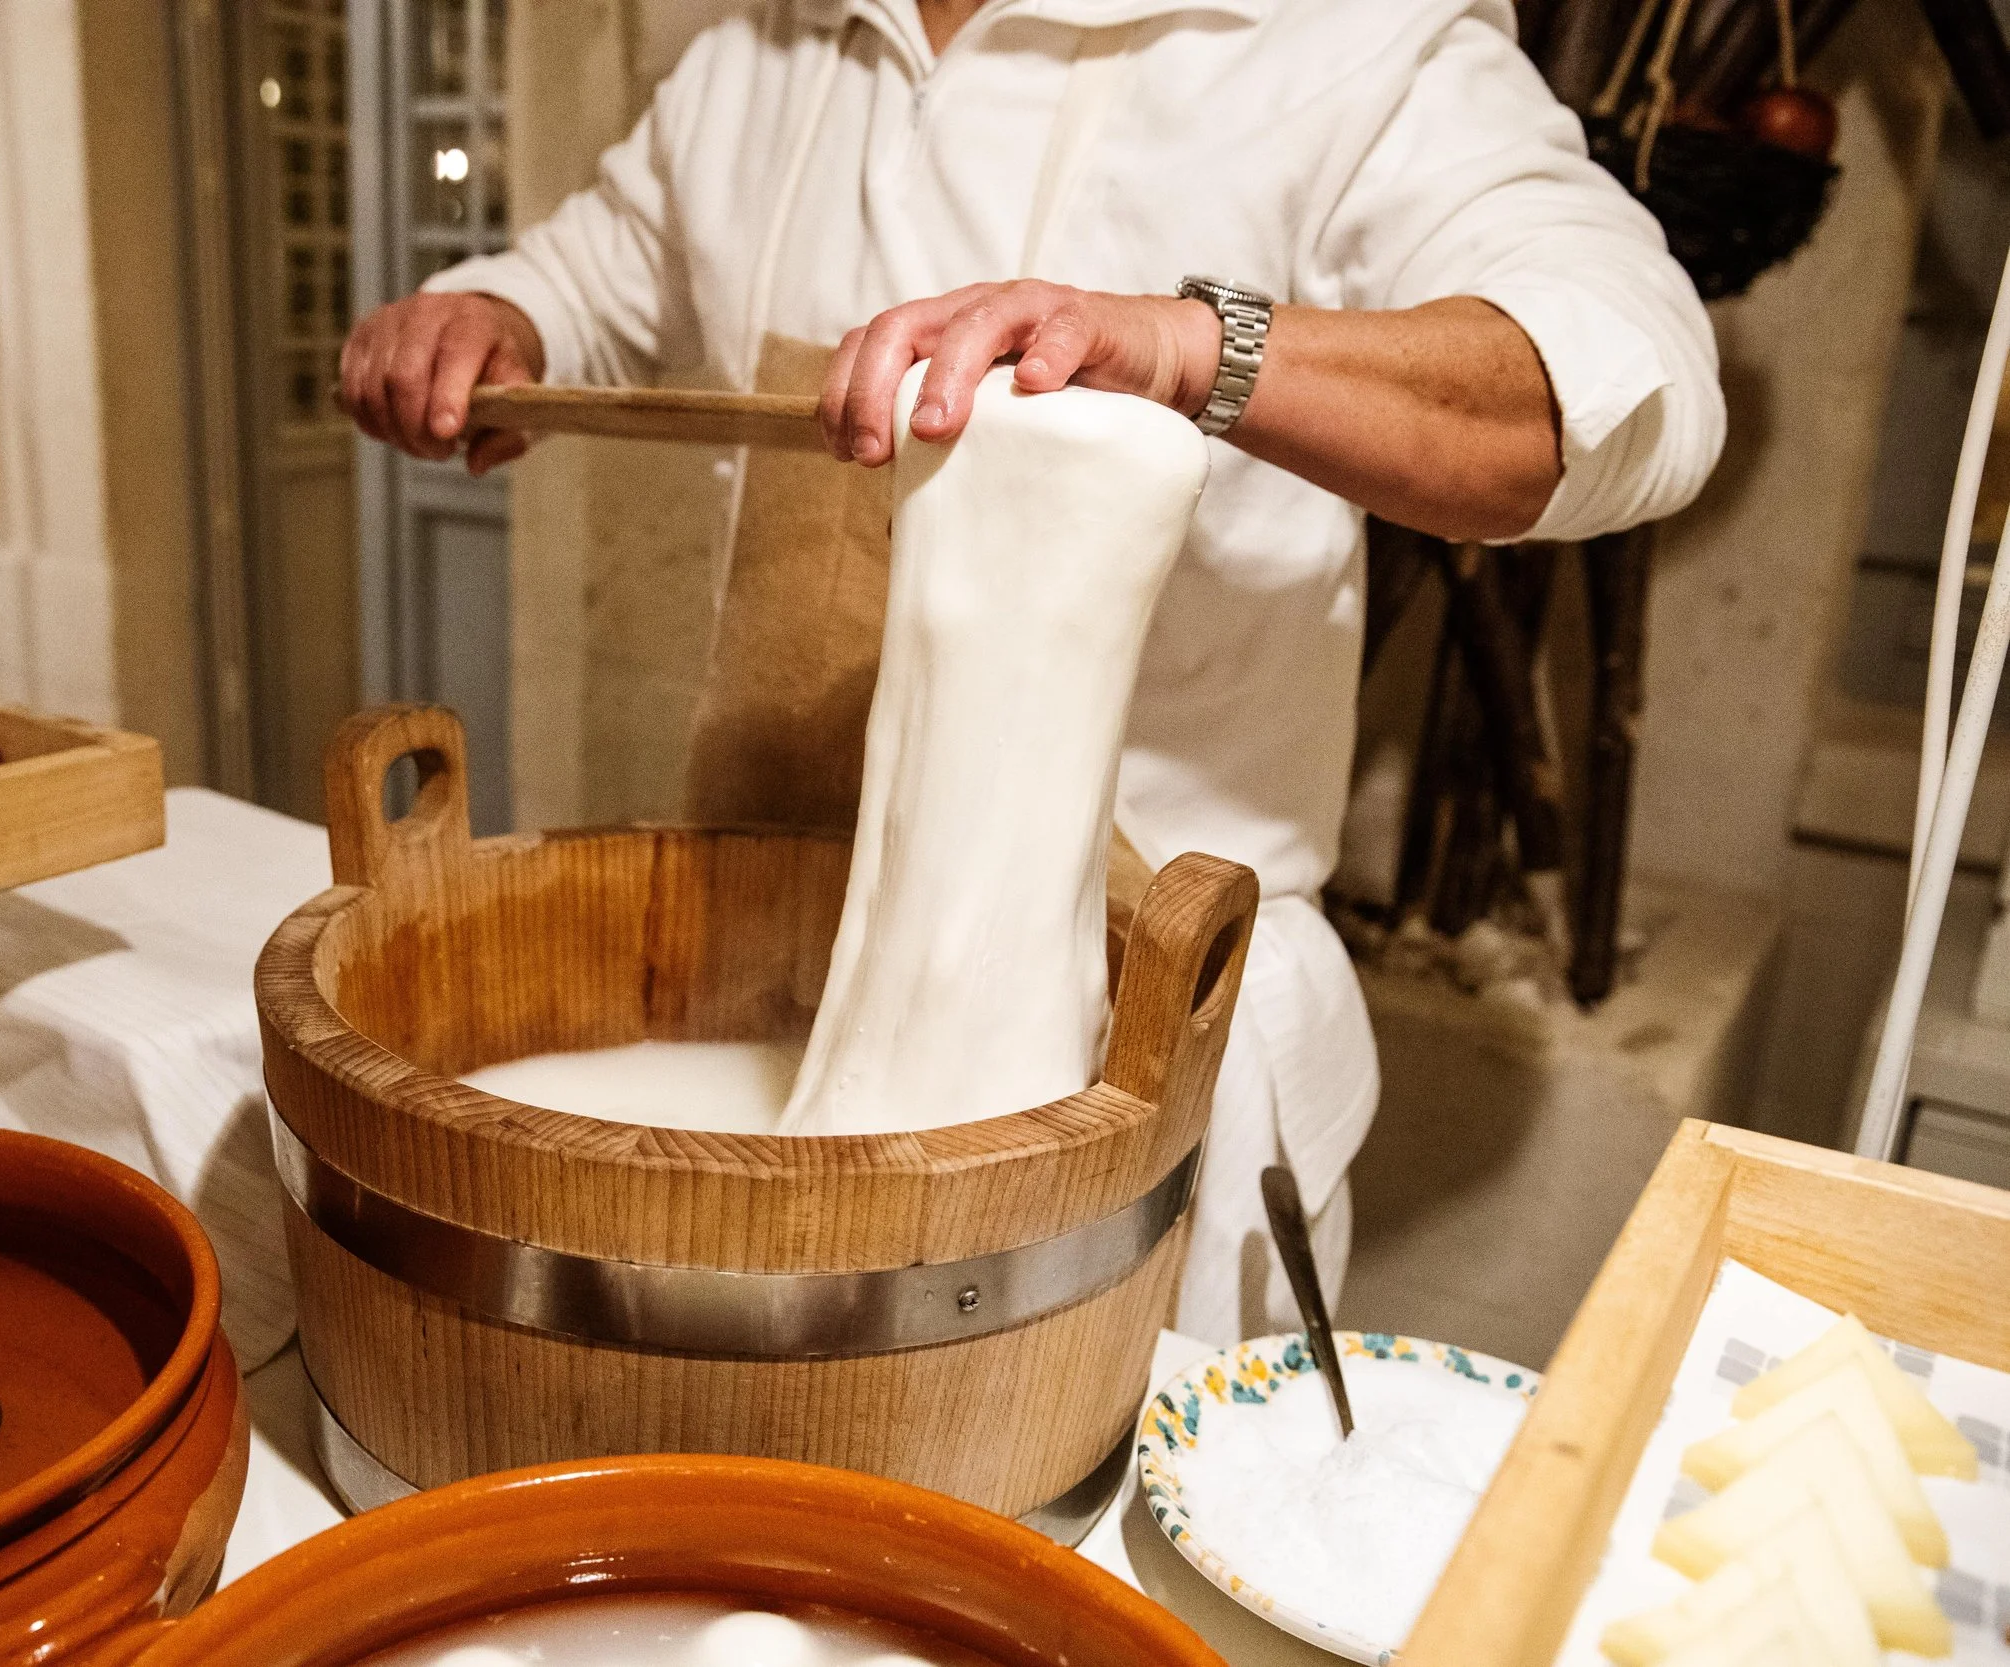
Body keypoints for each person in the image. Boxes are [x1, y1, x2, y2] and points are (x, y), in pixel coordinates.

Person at [337, 0, 1724, 1344]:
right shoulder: (767, 44)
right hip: (765, 976)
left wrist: (1200, 346)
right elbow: (599, 272)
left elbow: (1623, 381)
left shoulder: (1334, 34)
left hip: (1141, 1048)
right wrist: (496, 312)